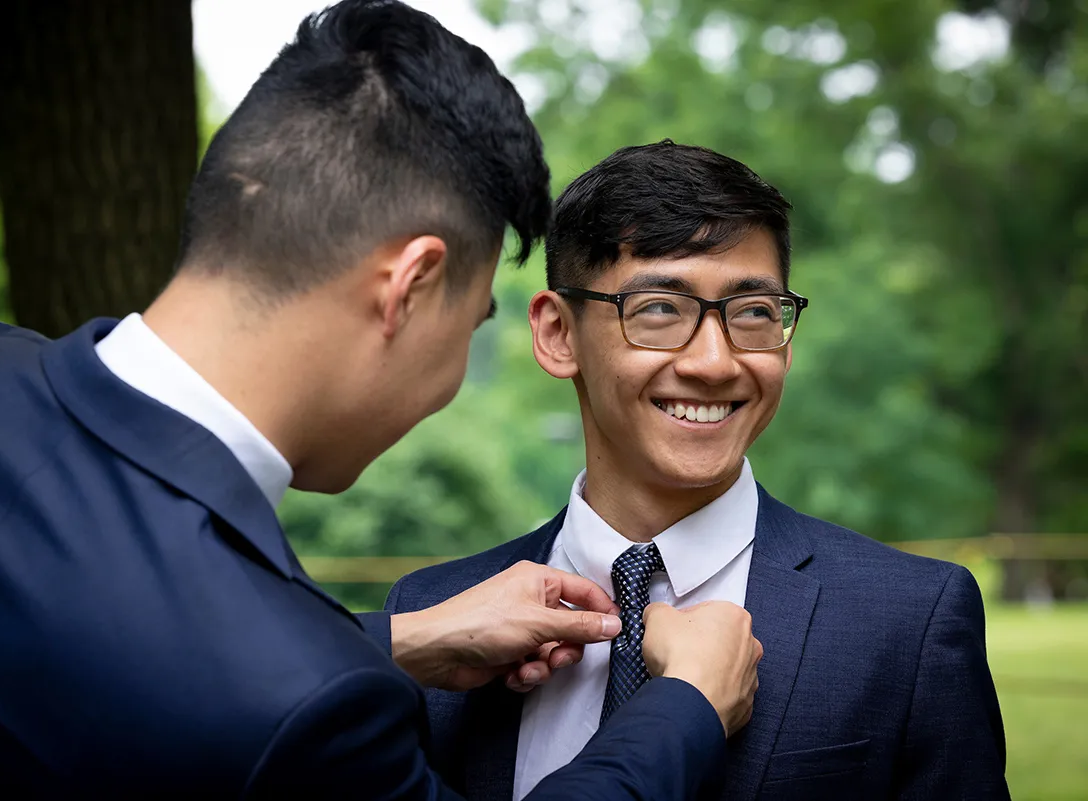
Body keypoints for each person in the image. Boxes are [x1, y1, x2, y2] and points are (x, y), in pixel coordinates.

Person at [0, 3, 764, 799]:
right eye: (473, 318)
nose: (457, 374)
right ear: (411, 286)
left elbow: (95, 636)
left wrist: (397, 639)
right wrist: (685, 703)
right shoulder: (304, 708)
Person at [383, 141, 1011, 801]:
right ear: (558, 333)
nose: (715, 362)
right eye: (659, 308)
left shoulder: (909, 622)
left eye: (753, 313)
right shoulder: (425, 623)